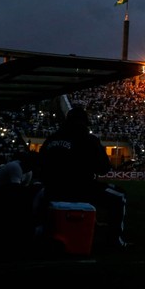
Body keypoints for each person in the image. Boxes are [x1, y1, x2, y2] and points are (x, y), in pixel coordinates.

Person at [38, 105, 130, 249]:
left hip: (51, 189)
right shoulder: (88, 139)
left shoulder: (51, 139)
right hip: (80, 188)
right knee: (119, 196)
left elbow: (41, 165)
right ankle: (115, 241)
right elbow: (103, 169)